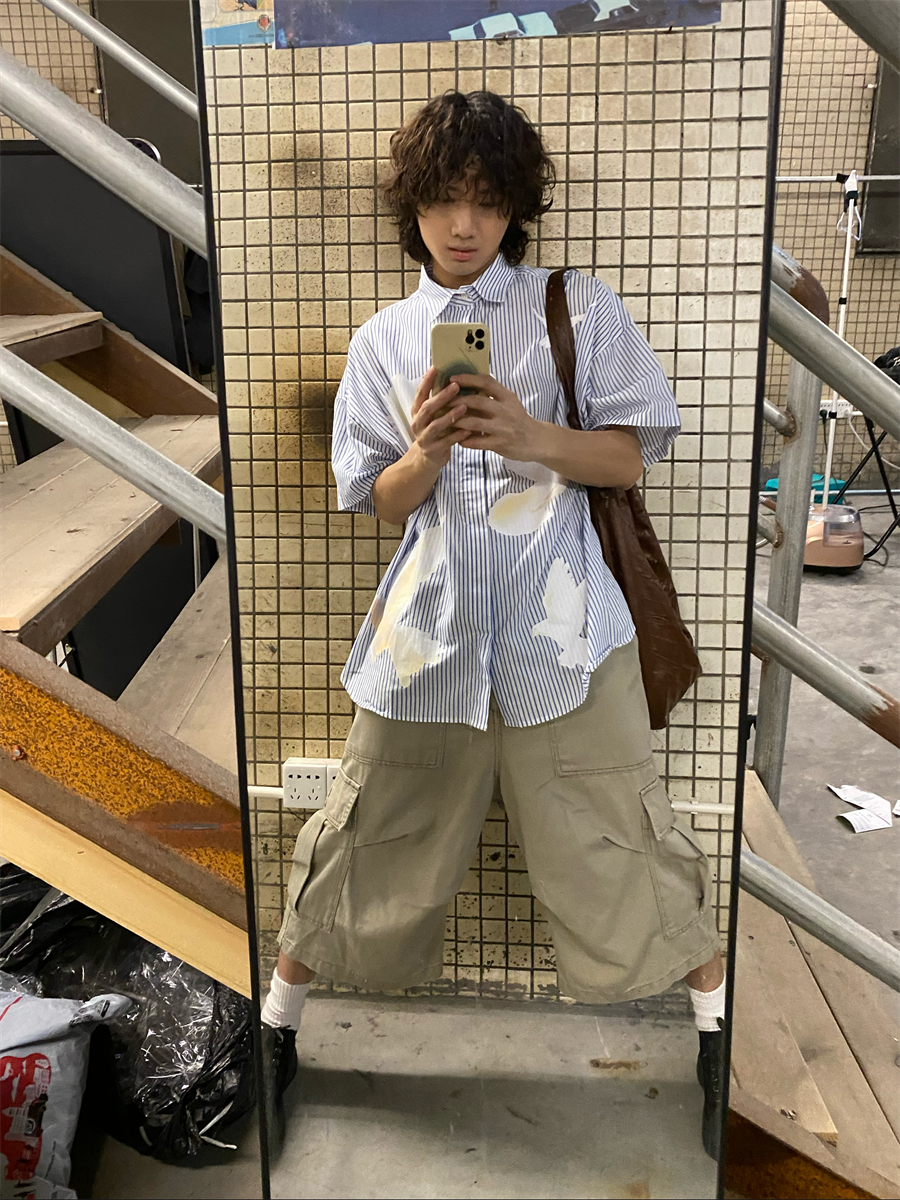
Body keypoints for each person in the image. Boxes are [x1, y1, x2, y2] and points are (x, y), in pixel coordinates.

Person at [260, 90, 726, 1158]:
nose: (463, 223)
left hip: (567, 633)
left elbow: (629, 455)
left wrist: (529, 432)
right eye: (442, 199)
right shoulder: (384, 340)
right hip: (428, 637)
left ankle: (713, 1035)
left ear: (516, 205)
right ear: (412, 207)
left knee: (624, 830)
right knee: (364, 826)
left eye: (485, 199)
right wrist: (426, 453)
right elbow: (378, 500)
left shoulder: (579, 308)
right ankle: (277, 1026)